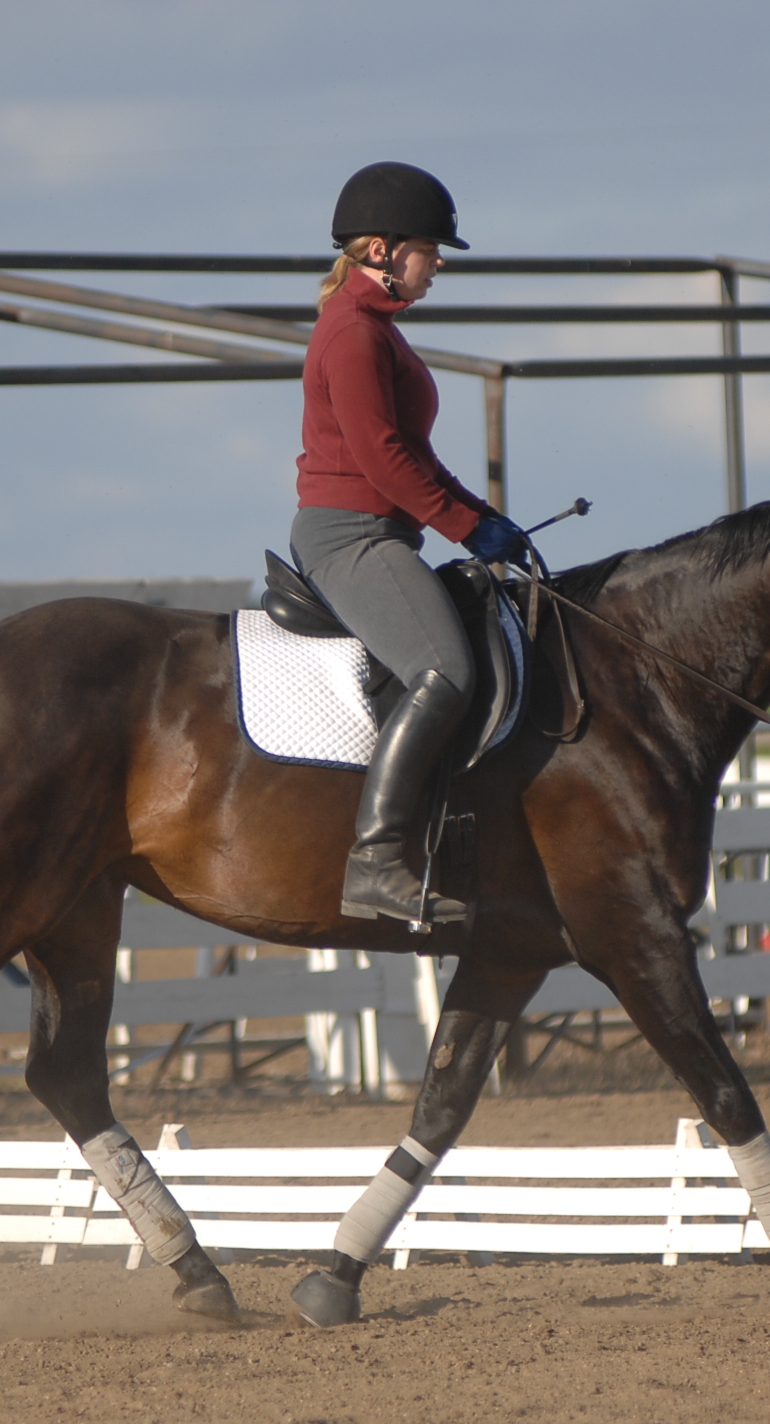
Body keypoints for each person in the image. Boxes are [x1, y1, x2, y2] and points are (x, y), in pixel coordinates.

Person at [290, 161, 529, 925]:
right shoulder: (354, 336)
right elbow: (381, 461)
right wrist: (464, 528)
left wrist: (482, 515)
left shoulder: (375, 333)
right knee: (445, 669)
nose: (439, 266)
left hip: (384, 529)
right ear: (384, 250)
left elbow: (415, 458)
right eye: (432, 249)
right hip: (351, 536)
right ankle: (376, 864)